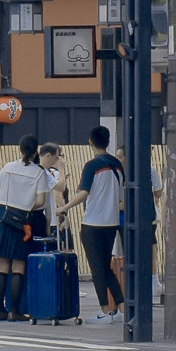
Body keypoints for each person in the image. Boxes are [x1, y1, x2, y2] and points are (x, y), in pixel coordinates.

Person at [56, 125, 123, 322]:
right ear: (108, 141)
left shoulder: (92, 165)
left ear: (90, 142)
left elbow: (84, 192)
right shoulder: (117, 165)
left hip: (93, 223)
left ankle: (105, 311)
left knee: (97, 269)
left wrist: (64, 207)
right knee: (105, 267)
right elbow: (120, 197)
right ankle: (122, 308)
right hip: (111, 223)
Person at [0, 134, 51, 321]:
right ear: (36, 152)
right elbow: (41, 201)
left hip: (2, 216)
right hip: (22, 219)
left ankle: (0, 311)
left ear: (20, 149)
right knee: (18, 266)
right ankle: (14, 311)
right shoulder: (39, 173)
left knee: (2, 266)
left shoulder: (8, 167)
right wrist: (25, 203)